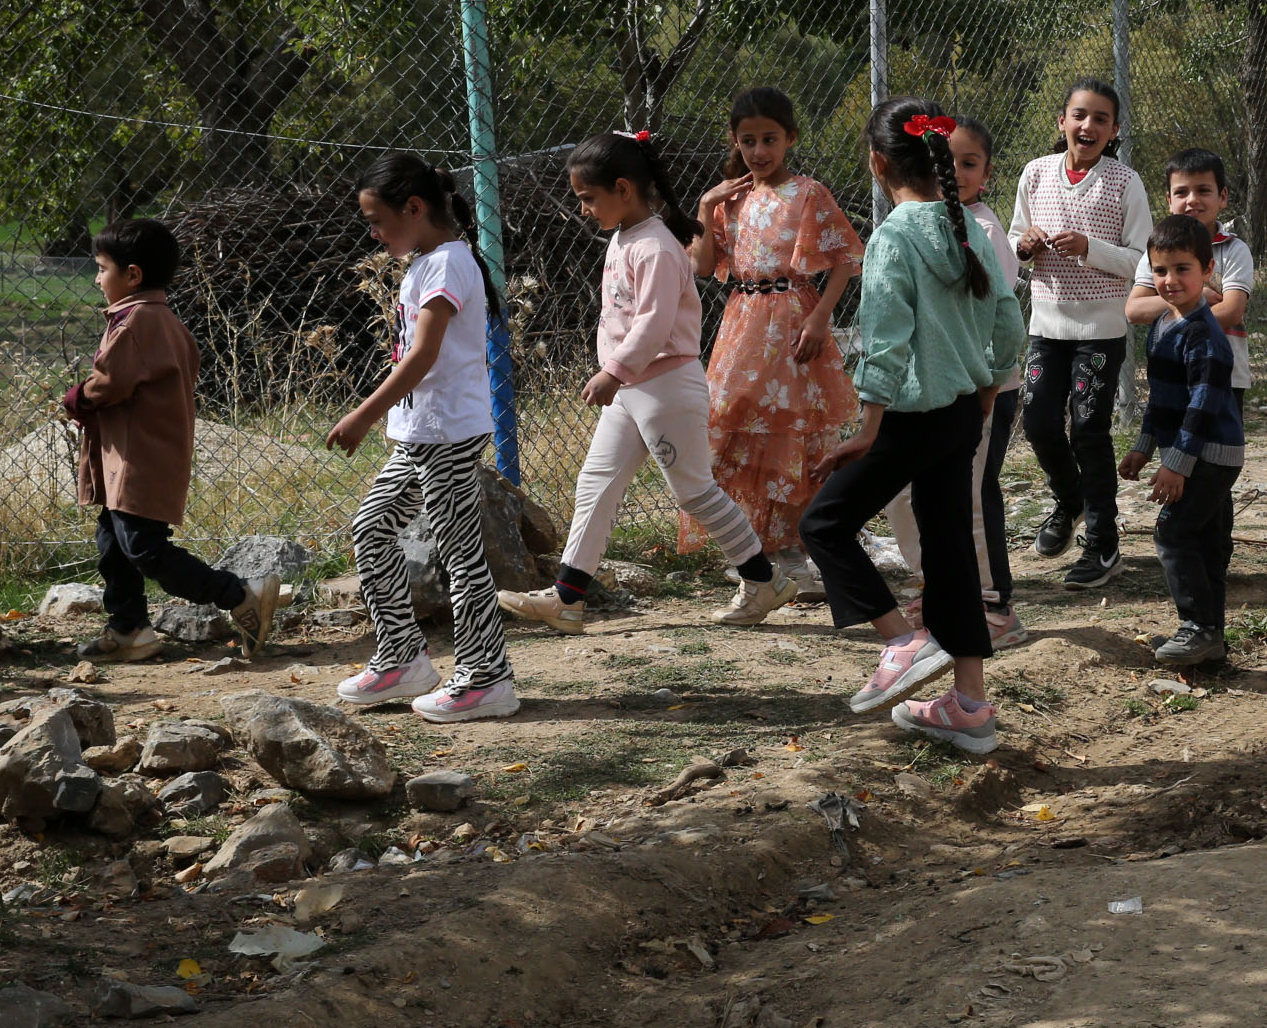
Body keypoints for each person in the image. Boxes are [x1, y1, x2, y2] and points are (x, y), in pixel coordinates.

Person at [796, 99, 1025, 755]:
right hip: (959, 414)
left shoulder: (895, 235)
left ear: (877, 163)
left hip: (912, 416)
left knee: (823, 523)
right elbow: (1008, 319)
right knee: (950, 552)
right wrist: (987, 384)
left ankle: (900, 641)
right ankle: (970, 707)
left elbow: (887, 340)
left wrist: (868, 425)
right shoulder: (967, 227)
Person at [499, 132, 790, 635]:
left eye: (588, 198)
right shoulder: (627, 237)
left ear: (623, 189)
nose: (585, 209)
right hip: (633, 390)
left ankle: (763, 580)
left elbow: (653, 323)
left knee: (695, 492)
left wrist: (613, 371)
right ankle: (568, 597)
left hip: (664, 388)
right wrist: (618, 374)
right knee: (596, 484)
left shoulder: (655, 245)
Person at [326, 154, 519, 722]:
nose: (373, 232)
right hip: (421, 434)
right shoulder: (427, 262)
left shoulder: (445, 266)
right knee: (372, 529)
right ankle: (403, 658)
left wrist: (363, 414)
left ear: (414, 208)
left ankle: (487, 678)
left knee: (460, 553)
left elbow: (424, 355)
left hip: (448, 434)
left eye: (377, 220)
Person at [64, 219, 281, 665]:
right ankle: (129, 629)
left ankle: (239, 594)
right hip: (131, 453)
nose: (97, 277)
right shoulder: (153, 318)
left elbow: (109, 385)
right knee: (114, 543)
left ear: (133, 275)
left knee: (143, 548)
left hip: (140, 456)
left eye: (102, 268)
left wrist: (76, 398)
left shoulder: (138, 322)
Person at [687, 86, 862, 604]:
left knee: (792, 433)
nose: (759, 151)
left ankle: (794, 556)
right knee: (729, 425)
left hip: (792, 324)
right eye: (748, 141)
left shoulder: (808, 193)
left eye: (769, 139)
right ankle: (753, 550)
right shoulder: (728, 199)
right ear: (735, 142)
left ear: (790, 138)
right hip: (742, 324)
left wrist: (819, 320)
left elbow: (843, 261)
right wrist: (705, 205)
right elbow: (702, 268)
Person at [884, 114, 1030, 649]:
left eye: (970, 163)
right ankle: (942, 584)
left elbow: (999, 317)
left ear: (986, 175)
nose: (958, 171)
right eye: (950, 161)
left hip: (983, 385)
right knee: (905, 493)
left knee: (969, 494)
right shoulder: (916, 223)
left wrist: (989, 384)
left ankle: (992, 604)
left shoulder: (984, 230)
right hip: (930, 387)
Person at [1011, 79, 1153, 588]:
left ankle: (1103, 542)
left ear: (1114, 130)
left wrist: (1088, 246)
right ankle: (1068, 501)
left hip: (1101, 329)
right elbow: (1012, 241)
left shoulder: (1124, 182)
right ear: (1061, 121)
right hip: (1046, 325)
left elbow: (1143, 260)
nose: (1087, 126)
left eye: (1100, 119)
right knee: (1038, 421)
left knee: (1088, 427)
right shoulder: (1036, 174)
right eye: (1079, 115)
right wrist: (1025, 244)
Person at [1117, 214, 1246, 668]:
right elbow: (1163, 400)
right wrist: (1143, 446)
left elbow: (1201, 406)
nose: (1170, 281)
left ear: (1208, 271)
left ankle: (1198, 629)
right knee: (1206, 542)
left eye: (1183, 269)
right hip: (1191, 450)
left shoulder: (1203, 335)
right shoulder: (1163, 326)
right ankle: (1210, 645)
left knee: (1173, 531)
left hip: (1210, 452)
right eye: (1160, 271)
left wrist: (1175, 463)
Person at [1127, 148, 1253, 393]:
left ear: (1223, 196)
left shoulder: (1233, 249)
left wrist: (1175, 308)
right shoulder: (1156, 251)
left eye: (1203, 190)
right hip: (1171, 369)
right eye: (1181, 192)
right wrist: (1195, 299)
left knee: (1217, 431)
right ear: (1169, 200)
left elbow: (1231, 310)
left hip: (1223, 373)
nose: (1192, 199)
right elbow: (1134, 309)